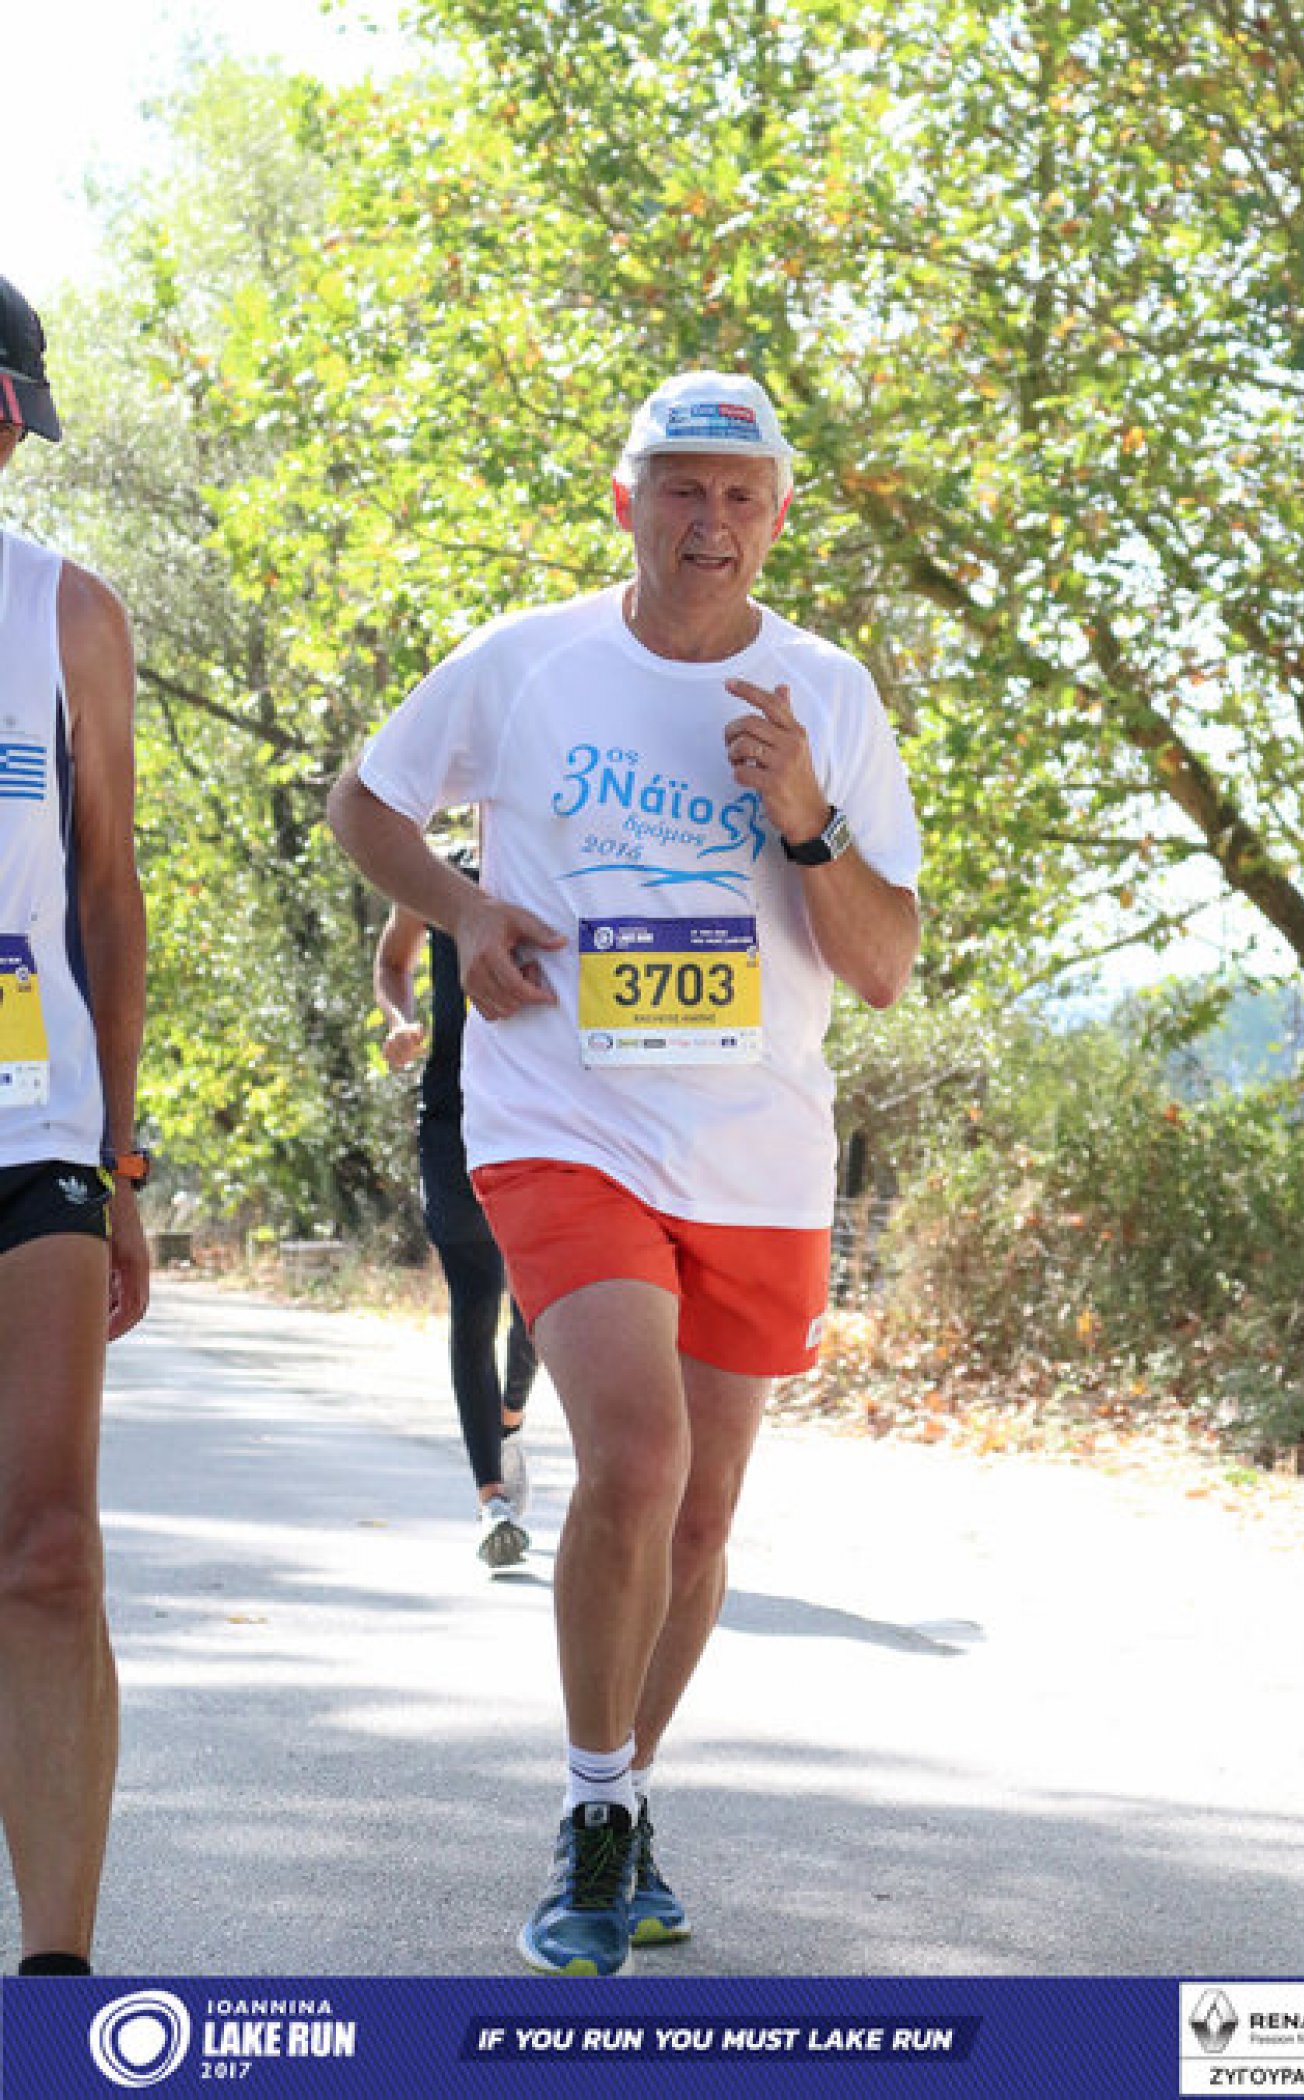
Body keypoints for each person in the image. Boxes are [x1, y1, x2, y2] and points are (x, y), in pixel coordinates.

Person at [328, 369, 921, 1975]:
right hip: (562, 1117)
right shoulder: (524, 662)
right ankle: (592, 1819)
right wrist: (462, 911)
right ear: (625, 503)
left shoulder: (829, 695)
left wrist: (805, 817)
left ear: (776, 517)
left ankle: (629, 1792)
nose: (707, 520)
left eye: (738, 494)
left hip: (755, 1149)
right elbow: (364, 804)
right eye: (678, 487)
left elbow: (881, 966)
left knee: (704, 1518)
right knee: (638, 1459)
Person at [0, 274, 150, 1975]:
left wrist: (122, 1164)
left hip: (29, 1117)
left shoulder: (66, 614)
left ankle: (56, 1989)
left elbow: (107, 895)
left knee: (47, 1552)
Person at [373, 845, 538, 1571]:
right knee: (475, 1297)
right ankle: (492, 1500)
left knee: (536, 1305)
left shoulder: (557, 862)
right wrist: (399, 1020)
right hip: (453, 1117)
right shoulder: (437, 874)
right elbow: (393, 962)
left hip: (546, 1116)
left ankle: (509, 1416)